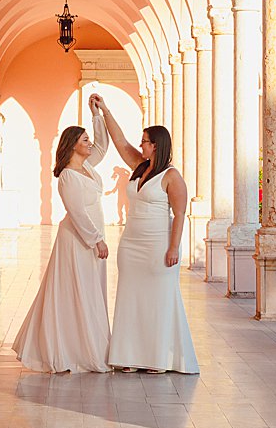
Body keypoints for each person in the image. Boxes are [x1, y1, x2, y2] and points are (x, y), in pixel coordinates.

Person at [89, 93, 199, 376]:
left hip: (159, 245)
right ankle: (128, 355)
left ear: (157, 145)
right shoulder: (140, 166)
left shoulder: (172, 176)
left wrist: (174, 248)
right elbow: (120, 142)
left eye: (145, 141)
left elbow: (179, 214)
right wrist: (104, 111)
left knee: (158, 300)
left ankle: (158, 358)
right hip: (131, 244)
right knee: (130, 297)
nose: (140, 145)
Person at [12, 110, 110, 373]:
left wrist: (97, 115)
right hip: (78, 239)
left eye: (89, 140)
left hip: (91, 236)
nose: (90, 144)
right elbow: (77, 211)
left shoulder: (88, 166)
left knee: (90, 290)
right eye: (85, 140)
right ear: (73, 145)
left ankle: (89, 344)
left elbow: (103, 145)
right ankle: (69, 349)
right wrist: (97, 240)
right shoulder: (68, 176)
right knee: (75, 290)